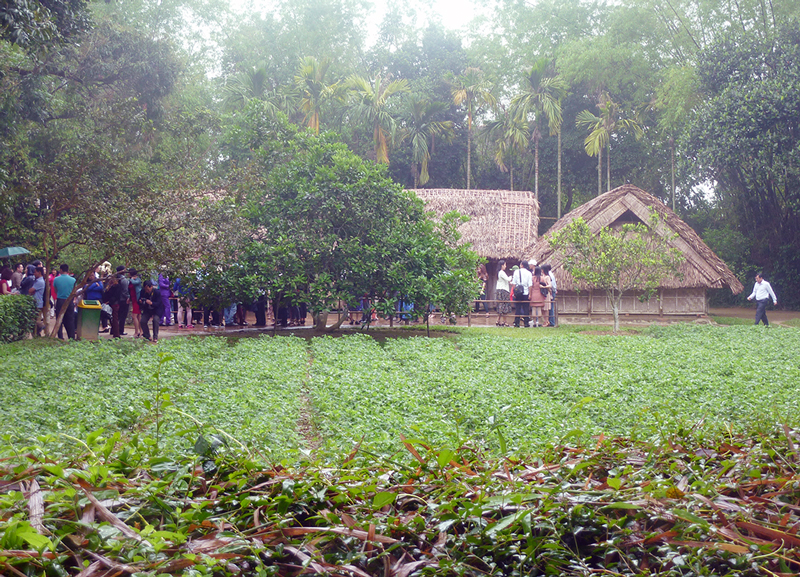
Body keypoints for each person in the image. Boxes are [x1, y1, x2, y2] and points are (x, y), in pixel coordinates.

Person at [52, 263, 76, 340]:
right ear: (68, 270)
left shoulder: (56, 279)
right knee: (70, 319)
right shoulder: (73, 280)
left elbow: (55, 290)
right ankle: (71, 336)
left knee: (59, 319)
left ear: (61, 270)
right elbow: (74, 291)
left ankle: (60, 337)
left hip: (60, 300)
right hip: (69, 301)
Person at [511, 260, 532, 328]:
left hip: (518, 292)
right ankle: (526, 323)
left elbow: (514, 283)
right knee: (526, 308)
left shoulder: (516, 272)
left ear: (522, 265)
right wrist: (530, 294)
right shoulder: (529, 273)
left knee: (518, 308)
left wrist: (514, 292)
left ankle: (517, 323)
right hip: (526, 292)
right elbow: (530, 285)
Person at [28, 266, 46, 336]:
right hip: (36, 302)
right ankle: (36, 334)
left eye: (35, 272)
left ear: (39, 272)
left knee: (36, 319)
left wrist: (31, 291)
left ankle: (42, 326)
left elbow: (30, 290)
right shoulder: (37, 281)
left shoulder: (40, 281)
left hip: (37, 303)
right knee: (34, 319)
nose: (34, 273)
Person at [495, 260, 512, 327]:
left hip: (499, 290)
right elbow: (508, 279)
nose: (505, 266)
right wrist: (511, 276)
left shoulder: (499, 273)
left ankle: (498, 320)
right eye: (505, 265)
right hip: (503, 290)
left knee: (500, 305)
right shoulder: (502, 272)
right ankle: (505, 321)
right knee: (504, 305)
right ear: (502, 265)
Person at [115, 266, 130, 336]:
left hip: (116, 300)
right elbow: (125, 291)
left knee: (116, 316)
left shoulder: (115, 278)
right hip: (123, 300)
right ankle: (121, 330)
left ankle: (114, 330)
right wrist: (128, 297)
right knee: (123, 316)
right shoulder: (124, 279)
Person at [129, 269, 143, 338]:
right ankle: (141, 331)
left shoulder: (138, 280)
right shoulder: (131, 280)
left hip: (137, 299)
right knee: (138, 316)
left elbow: (134, 283)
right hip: (133, 299)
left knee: (134, 315)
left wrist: (131, 279)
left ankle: (136, 332)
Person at [542, 263, 557, 328]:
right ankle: (549, 321)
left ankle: (551, 322)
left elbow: (551, 285)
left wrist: (551, 291)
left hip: (549, 292)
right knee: (548, 307)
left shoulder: (548, 275)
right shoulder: (549, 274)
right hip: (550, 291)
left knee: (549, 307)